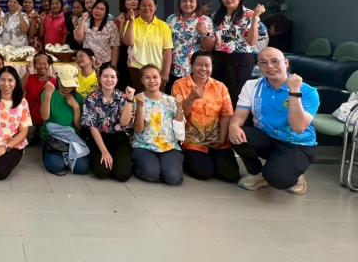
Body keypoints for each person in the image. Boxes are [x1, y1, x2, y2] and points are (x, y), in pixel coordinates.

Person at [229, 47, 319, 194]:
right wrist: (233, 126)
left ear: (286, 63)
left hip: (297, 144)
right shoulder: (252, 86)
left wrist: (294, 92)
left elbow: (298, 127)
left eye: (275, 61)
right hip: (268, 138)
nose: (269, 66)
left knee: (277, 179)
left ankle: (295, 174)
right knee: (237, 134)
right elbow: (239, 115)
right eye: (263, 62)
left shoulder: (308, 91)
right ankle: (258, 173)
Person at [172, 51, 238, 182]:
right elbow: (179, 116)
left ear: (212, 67)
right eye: (199, 65)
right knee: (204, 172)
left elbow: (226, 115)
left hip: (216, 139)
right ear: (191, 65)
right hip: (192, 140)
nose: (203, 69)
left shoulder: (220, 87)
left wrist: (222, 139)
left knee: (231, 175)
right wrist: (191, 98)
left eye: (207, 65)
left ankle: (214, 158)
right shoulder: (179, 85)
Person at [211, 0, 267, 105]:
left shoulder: (250, 14)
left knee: (237, 93)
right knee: (218, 92)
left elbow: (251, 42)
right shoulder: (216, 15)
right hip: (219, 58)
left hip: (241, 59)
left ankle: (237, 117)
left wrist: (254, 19)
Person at [132, 65, 184, 185]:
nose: (152, 81)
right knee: (151, 174)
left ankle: (165, 167)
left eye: (155, 77)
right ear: (142, 80)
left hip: (168, 146)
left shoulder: (171, 100)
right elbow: (138, 130)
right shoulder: (137, 99)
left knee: (173, 178)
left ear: (160, 79)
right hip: (144, 145)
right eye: (147, 77)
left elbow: (179, 130)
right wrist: (140, 107)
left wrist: (179, 108)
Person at [81, 64, 135, 181]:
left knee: (122, 175)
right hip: (99, 137)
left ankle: (118, 162)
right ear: (99, 77)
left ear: (117, 79)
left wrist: (130, 100)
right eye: (105, 76)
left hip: (119, 137)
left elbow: (124, 123)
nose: (109, 80)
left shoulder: (123, 97)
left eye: (112, 77)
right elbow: (92, 127)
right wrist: (104, 152)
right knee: (101, 172)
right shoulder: (91, 97)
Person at [40, 65, 90, 175]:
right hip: (54, 138)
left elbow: (79, 126)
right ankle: (59, 155)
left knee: (82, 168)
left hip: (72, 139)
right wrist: (48, 95)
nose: (67, 88)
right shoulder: (49, 94)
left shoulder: (78, 98)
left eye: (70, 86)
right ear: (58, 80)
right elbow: (44, 117)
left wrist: (76, 108)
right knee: (55, 166)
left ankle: (66, 156)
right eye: (64, 84)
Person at [121, 0, 173, 92]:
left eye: (150, 5)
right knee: (139, 98)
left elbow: (167, 51)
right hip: (136, 69)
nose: (147, 8)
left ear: (155, 7)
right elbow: (128, 42)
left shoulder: (163, 26)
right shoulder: (131, 23)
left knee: (156, 99)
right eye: (143, 5)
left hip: (157, 70)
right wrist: (131, 21)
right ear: (139, 8)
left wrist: (165, 73)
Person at [166, 0, 215, 87]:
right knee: (174, 94)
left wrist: (204, 33)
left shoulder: (205, 20)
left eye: (191, 1)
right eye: (184, 1)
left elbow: (209, 48)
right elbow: (166, 44)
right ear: (179, 3)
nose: (187, 4)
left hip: (195, 69)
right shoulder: (171, 19)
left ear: (197, 3)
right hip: (174, 68)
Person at [74, 0, 120, 65]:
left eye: (102, 9)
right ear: (92, 9)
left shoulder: (111, 25)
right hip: (87, 62)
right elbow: (78, 38)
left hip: (105, 63)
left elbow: (115, 47)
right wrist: (83, 20)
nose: (98, 11)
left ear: (105, 13)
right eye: (96, 8)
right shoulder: (85, 22)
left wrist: (113, 66)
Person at [23, 52, 55, 138]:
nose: (42, 66)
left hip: (46, 122)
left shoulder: (53, 81)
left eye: (45, 63)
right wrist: (27, 73)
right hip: (30, 121)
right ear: (34, 65)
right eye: (39, 64)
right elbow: (20, 90)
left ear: (49, 65)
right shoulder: (30, 78)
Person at [113, 0, 138, 88]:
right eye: (129, 0)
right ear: (123, 2)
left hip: (139, 53)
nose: (133, 1)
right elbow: (120, 41)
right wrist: (122, 23)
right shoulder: (118, 20)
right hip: (123, 55)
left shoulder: (143, 17)